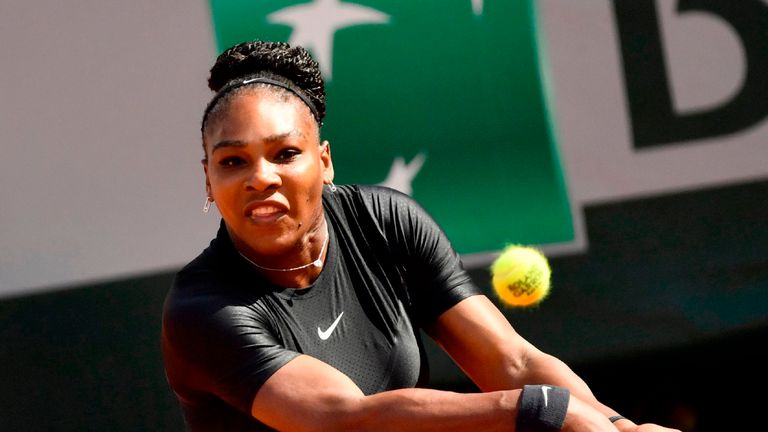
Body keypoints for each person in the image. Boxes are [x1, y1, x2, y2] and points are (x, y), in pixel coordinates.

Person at [161, 40, 680, 432]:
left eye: (285, 154)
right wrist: (550, 413)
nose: (261, 177)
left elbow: (511, 361)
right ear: (209, 179)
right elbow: (347, 420)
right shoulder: (202, 311)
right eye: (233, 162)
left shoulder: (386, 222)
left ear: (324, 162)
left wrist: (616, 428)